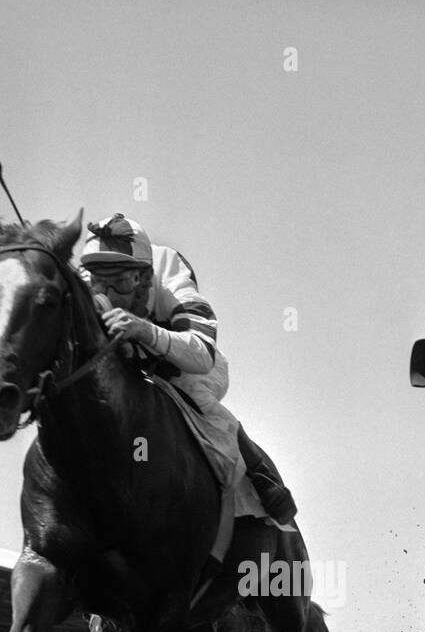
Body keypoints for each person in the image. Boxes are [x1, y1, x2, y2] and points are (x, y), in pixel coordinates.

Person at [78, 214, 296, 525]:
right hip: (129, 365)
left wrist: (144, 330)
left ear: (143, 278)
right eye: (100, 281)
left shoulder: (170, 277)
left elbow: (202, 354)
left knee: (190, 392)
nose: (109, 295)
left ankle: (260, 475)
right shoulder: (83, 281)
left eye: (121, 283)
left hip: (189, 367)